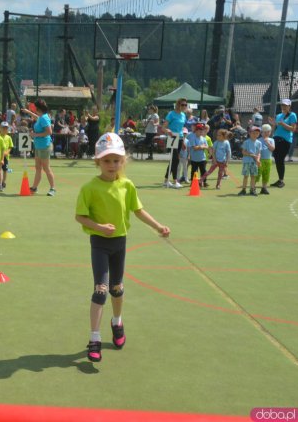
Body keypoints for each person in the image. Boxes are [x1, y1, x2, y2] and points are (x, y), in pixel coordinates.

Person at [75, 133, 170, 363]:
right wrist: (98, 226)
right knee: (100, 289)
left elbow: (138, 210)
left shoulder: (127, 185)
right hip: (99, 243)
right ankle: (94, 338)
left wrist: (158, 225)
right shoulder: (90, 188)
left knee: (116, 288)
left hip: (120, 242)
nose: (112, 165)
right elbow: (80, 216)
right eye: (107, 161)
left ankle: (117, 322)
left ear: (123, 162)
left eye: (116, 160)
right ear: (98, 161)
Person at [21, 99, 56, 196]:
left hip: (45, 146)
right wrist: (28, 112)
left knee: (46, 168)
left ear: (39, 108)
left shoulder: (44, 118)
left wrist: (35, 134)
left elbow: (49, 132)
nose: (34, 109)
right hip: (38, 146)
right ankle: (34, 187)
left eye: (35, 108)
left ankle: (53, 188)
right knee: (38, 168)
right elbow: (37, 117)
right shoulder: (41, 117)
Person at [267, 99, 296, 188]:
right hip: (276, 139)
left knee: (280, 159)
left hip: (285, 140)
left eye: (286, 105)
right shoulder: (279, 115)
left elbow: (293, 129)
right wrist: (273, 124)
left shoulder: (292, 115)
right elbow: (276, 127)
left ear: (289, 106)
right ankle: (280, 180)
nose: (284, 106)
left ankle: (281, 181)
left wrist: (283, 124)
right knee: (277, 160)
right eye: (282, 105)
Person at [162, 98, 188, 188]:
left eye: (185, 105)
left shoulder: (183, 115)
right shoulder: (171, 114)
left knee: (173, 160)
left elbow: (181, 128)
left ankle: (166, 181)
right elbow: (163, 127)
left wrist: (184, 141)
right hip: (172, 137)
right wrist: (168, 130)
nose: (184, 106)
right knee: (176, 159)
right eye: (182, 105)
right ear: (178, 105)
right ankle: (175, 181)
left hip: (180, 138)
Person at [238, 125, 262, 196]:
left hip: (254, 163)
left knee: (253, 176)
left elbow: (258, 153)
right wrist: (251, 155)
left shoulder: (259, 143)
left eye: (257, 133)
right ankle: (243, 190)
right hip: (247, 162)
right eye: (253, 133)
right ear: (249, 133)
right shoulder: (246, 142)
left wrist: (257, 160)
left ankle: (252, 190)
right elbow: (243, 152)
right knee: (246, 176)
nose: (255, 134)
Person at [256, 124, 275, 195]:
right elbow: (257, 150)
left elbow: (272, 149)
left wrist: (268, 142)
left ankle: (264, 188)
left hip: (268, 160)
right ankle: (253, 187)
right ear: (262, 132)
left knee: (266, 174)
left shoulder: (271, 140)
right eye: (264, 132)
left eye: (268, 132)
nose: (266, 133)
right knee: (257, 174)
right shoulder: (258, 140)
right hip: (260, 160)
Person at [0, 121, 14, 188]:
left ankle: (3, 182)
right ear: (0, 128)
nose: (5, 129)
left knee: (5, 170)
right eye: (3, 128)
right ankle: (0, 181)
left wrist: (7, 152)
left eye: (6, 128)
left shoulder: (9, 137)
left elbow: (10, 146)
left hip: (6, 156)